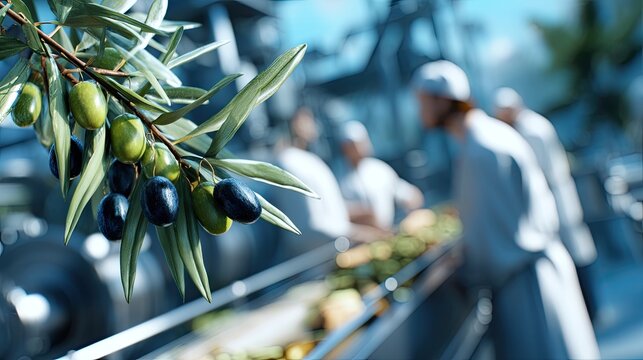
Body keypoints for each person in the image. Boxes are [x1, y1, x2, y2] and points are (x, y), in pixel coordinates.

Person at [412, 60, 599, 359]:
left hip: (526, 287)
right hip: (529, 276)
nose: (419, 111)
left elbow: (493, 242)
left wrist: (460, 271)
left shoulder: (481, 149)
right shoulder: (484, 137)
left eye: (421, 101)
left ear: (442, 100)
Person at [494, 87, 599, 318]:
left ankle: (591, 310)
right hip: (555, 196)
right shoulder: (528, 126)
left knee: (575, 256)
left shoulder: (531, 129)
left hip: (556, 198)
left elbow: (539, 170)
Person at [271, 107, 351, 259]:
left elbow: (330, 211)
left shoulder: (307, 160)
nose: (315, 125)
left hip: (337, 254)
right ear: (297, 122)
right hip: (319, 264)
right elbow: (308, 228)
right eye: (309, 119)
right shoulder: (288, 162)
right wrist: (356, 233)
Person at [339, 120, 424, 231]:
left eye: (361, 143)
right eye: (353, 145)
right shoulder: (338, 176)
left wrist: (412, 198)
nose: (358, 148)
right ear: (344, 148)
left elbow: (405, 193)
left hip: (386, 232)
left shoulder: (379, 169)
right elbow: (337, 212)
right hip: (357, 240)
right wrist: (362, 214)